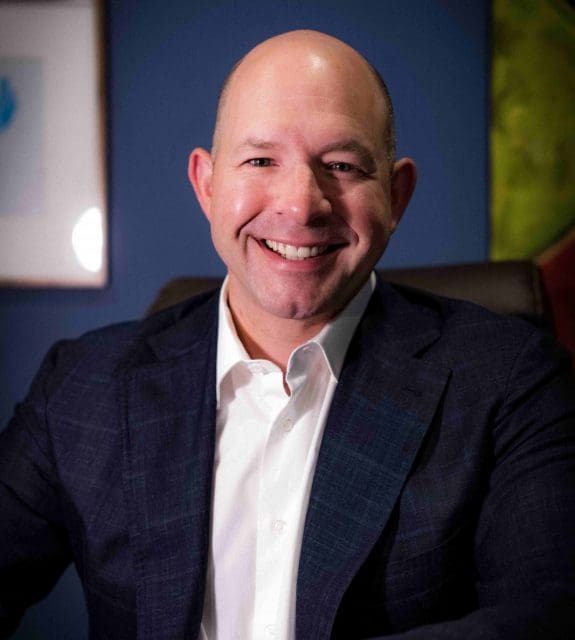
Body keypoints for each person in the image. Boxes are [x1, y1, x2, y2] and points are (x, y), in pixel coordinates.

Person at [1, 29, 574, 640]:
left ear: (396, 195)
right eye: (260, 161)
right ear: (207, 184)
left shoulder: (510, 380)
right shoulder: (80, 386)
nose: (301, 206)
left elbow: (549, 616)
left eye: (342, 165)